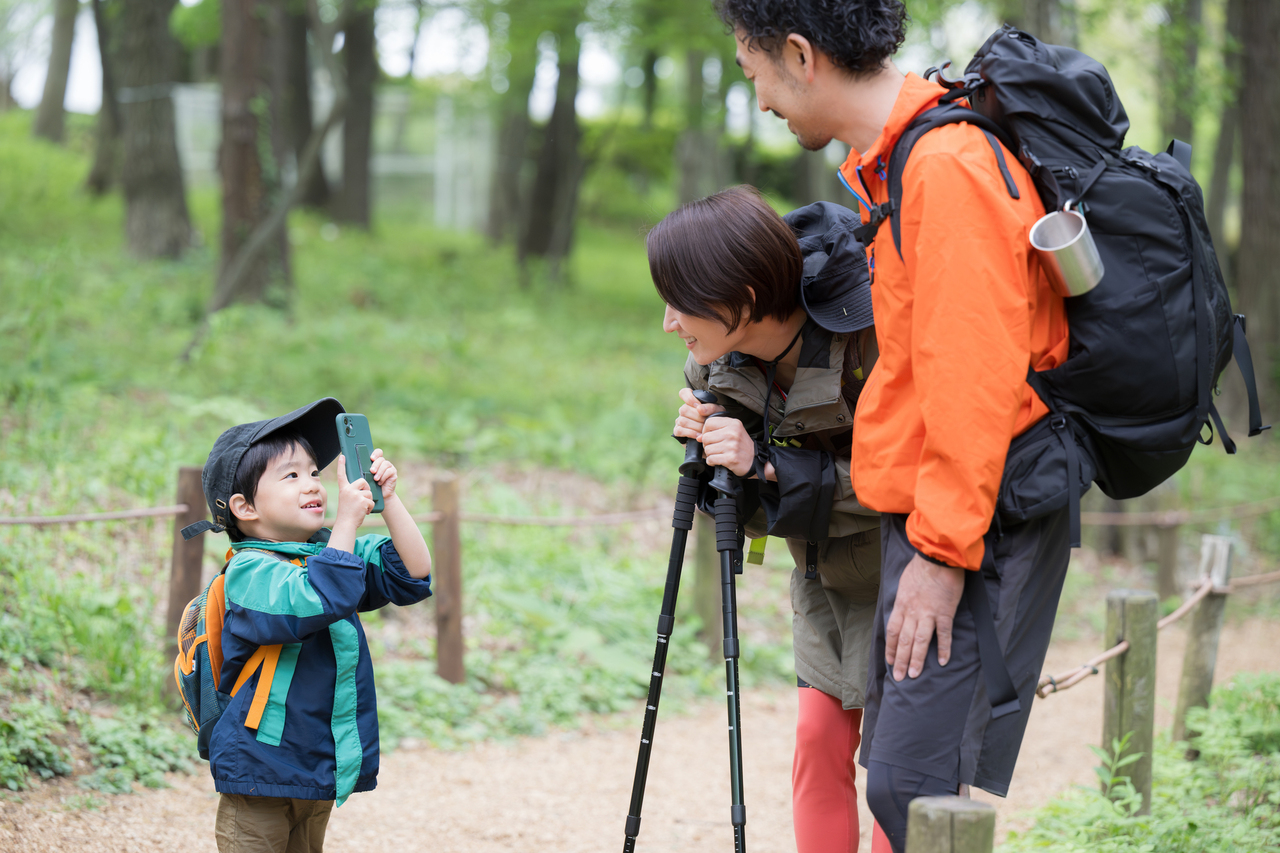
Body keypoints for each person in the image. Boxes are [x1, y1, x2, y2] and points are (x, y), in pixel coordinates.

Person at [712, 3, 1073, 851]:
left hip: (970, 522)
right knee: (906, 788)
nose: (759, 96)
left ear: (799, 55)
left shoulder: (944, 166)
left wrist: (943, 555)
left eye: (752, 69)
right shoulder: (905, 165)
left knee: (913, 793)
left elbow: (976, 378)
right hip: (932, 515)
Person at [650, 185, 890, 853]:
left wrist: (767, 466)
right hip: (822, 570)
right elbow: (751, 508)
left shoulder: (870, 335)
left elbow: (917, 479)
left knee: (900, 772)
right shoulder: (718, 360)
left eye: (681, 301)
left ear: (745, 300)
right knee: (818, 739)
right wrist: (714, 456)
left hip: (910, 570)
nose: (669, 321)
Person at [181, 398, 433, 853]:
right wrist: (348, 523)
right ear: (244, 506)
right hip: (259, 766)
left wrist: (387, 503)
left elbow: (412, 572)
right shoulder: (249, 572)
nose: (312, 484)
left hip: (315, 762)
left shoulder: (327, 553)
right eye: (291, 475)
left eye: (315, 473)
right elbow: (316, 597)